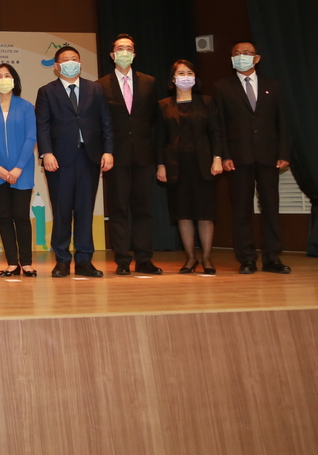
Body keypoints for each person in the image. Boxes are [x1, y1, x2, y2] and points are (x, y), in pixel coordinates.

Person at [212, 40, 292, 274]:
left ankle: (272, 257)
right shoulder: (222, 87)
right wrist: (224, 155)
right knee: (241, 210)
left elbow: (283, 122)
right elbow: (219, 126)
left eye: (246, 53)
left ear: (257, 58)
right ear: (231, 58)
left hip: (269, 156)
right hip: (237, 158)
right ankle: (246, 258)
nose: (241, 56)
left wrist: (284, 152)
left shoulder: (273, 86)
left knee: (270, 207)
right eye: (236, 53)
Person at [34, 45, 114, 278]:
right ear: (57, 67)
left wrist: (108, 151)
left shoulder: (95, 89)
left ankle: (84, 259)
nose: (71, 63)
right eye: (65, 60)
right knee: (61, 210)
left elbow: (106, 122)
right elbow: (43, 125)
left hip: (89, 157)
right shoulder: (47, 91)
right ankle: (61, 259)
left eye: (75, 59)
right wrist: (46, 153)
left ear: (80, 63)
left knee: (85, 209)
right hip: (59, 159)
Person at [97, 34, 163, 276]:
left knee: (143, 209)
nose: (124, 52)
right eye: (120, 48)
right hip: (115, 156)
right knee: (118, 210)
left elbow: (154, 122)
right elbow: (100, 124)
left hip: (144, 155)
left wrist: (158, 158)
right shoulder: (100, 85)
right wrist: (106, 151)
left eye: (129, 48)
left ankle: (144, 259)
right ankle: (123, 259)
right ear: (112, 55)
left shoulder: (149, 82)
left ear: (134, 54)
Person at [157, 60, 225, 274]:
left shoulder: (206, 102)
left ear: (195, 77)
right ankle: (190, 258)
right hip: (176, 165)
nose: (185, 76)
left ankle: (206, 258)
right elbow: (160, 138)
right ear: (173, 78)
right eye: (180, 73)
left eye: (189, 72)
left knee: (205, 213)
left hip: (203, 163)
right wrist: (160, 164)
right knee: (183, 213)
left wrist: (217, 158)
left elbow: (215, 132)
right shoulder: (163, 105)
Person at [0, 63, 38, 277]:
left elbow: (31, 138)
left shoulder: (25, 107)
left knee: (21, 216)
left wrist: (17, 168)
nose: (3, 78)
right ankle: (12, 263)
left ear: (14, 80)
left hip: (21, 171)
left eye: (7, 75)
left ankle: (26, 262)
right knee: (4, 217)